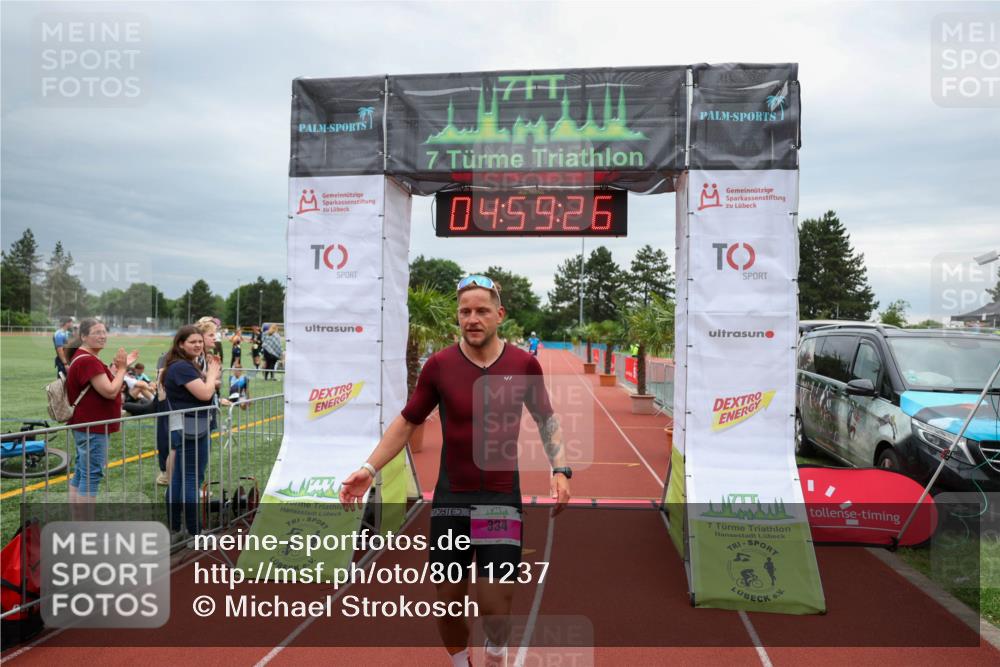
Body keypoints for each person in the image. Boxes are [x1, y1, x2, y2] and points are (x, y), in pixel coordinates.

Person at [340, 275, 572, 667]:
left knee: (496, 604)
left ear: (500, 314)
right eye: (465, 311)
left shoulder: (523, 364)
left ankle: (496, 651)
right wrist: (369, 467)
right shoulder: (439, 366)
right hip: (451, 503)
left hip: (499, 500)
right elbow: (407, 420)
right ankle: (462, 662)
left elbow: (547, 419)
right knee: (449, 605)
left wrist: (561, 468)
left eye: (482, 310)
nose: (472, 318)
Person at [64, 318, 138, 515]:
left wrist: (119, 368)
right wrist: (122, 369)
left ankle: (77, 521)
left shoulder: (85, 357)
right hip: (93, 426)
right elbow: (110, 391)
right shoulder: (88, 360)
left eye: (104, 331)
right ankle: (84, 527)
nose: (102, 336)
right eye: (97, 332)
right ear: (84, 336)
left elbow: (101, 386)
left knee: (82, 471)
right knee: (91, 474)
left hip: (86, 424)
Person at [162, 325, 221, 535]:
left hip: (186, 425)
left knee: (179, 477)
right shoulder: (181, 367)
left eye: (199, 341)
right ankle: (194, 531)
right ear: (180, 344)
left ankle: (177, 528)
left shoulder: (184, 365)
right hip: (192, 426)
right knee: (190, 479)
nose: (197, 345)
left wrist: (209, 376)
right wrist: (212, 374)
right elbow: (205, 394)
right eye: (192, 342)